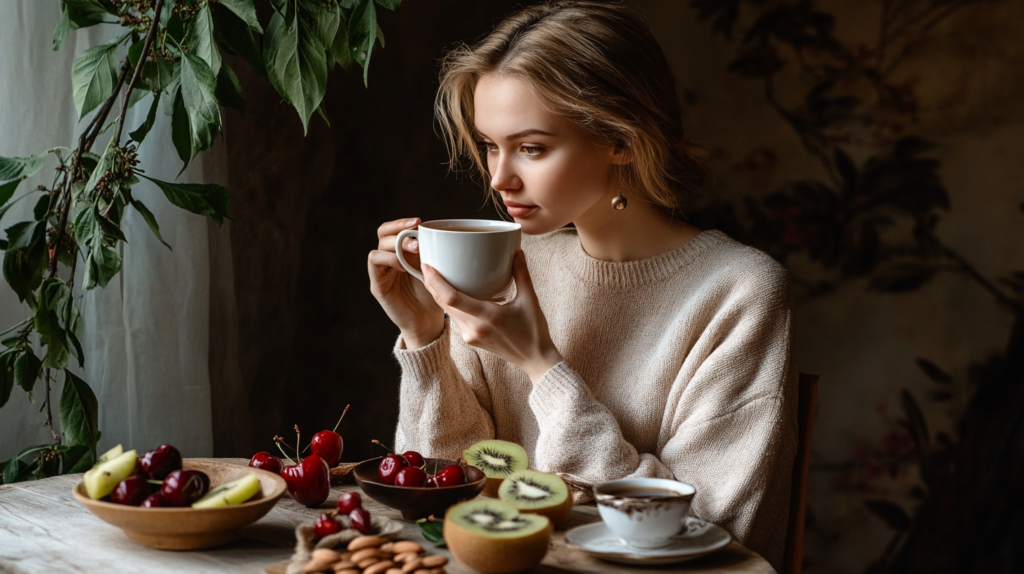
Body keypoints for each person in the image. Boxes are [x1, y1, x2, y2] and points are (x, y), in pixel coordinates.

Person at [367, 1, 797, 568]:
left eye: (532, 148)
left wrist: (542, 365)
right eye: (491, 145)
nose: (499, 178)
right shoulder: (515, 263)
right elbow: (442, 497)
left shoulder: (739, 292)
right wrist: (426, 340)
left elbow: (708, 535)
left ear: (620, 138)